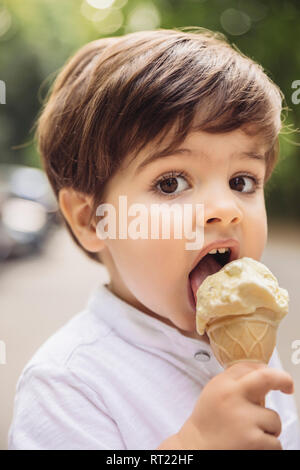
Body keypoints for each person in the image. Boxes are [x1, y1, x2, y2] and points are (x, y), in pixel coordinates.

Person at [8, 27, 300, 450]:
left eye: (242, 180)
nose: (226, 207)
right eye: (171, 183)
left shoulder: (253, 337)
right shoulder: (67, 385)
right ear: (93, 220)